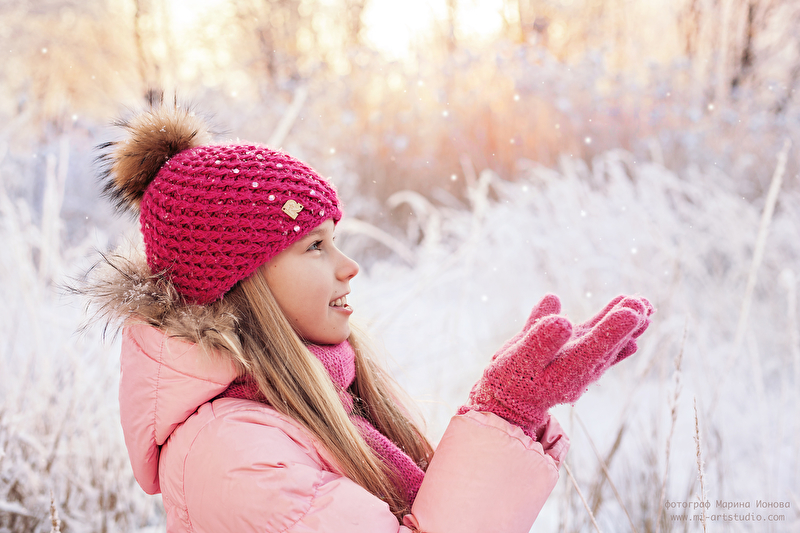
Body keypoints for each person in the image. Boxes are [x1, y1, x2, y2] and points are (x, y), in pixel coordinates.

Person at [81, 96, 653, 532]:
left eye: (338, 240)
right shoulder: (234, 457)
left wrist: (516, 415)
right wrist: (502, 415)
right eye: (315, 246)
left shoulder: (332, 399)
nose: (348, 266)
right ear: (241, 282)